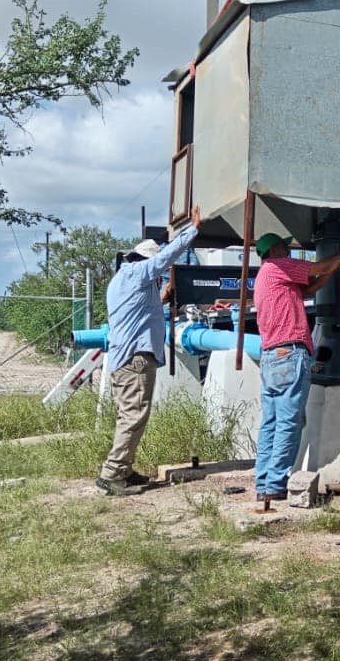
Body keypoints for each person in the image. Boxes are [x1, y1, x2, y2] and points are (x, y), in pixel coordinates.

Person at [96, 204, 202, 496]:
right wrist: (192, 230)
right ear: (144, 261)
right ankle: (112, 474)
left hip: (124, 358)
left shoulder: (123, 281)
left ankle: (124, 471)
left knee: (129, 414)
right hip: (135, 360)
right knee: (134, 415)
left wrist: (164, 295)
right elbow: (165, 258)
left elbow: (145, 310)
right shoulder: (137, 273)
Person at [251, 232, 340, 502]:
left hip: (272, 357)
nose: (288, 252)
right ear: (274, 250)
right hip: (289, 353)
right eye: (285, 248)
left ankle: (263, 482)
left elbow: (309, 289)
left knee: (272, 423)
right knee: (289, 423)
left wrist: (335, 268)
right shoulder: (279, 266)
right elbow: (316, 268)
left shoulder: (267, 276)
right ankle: (275, 484)